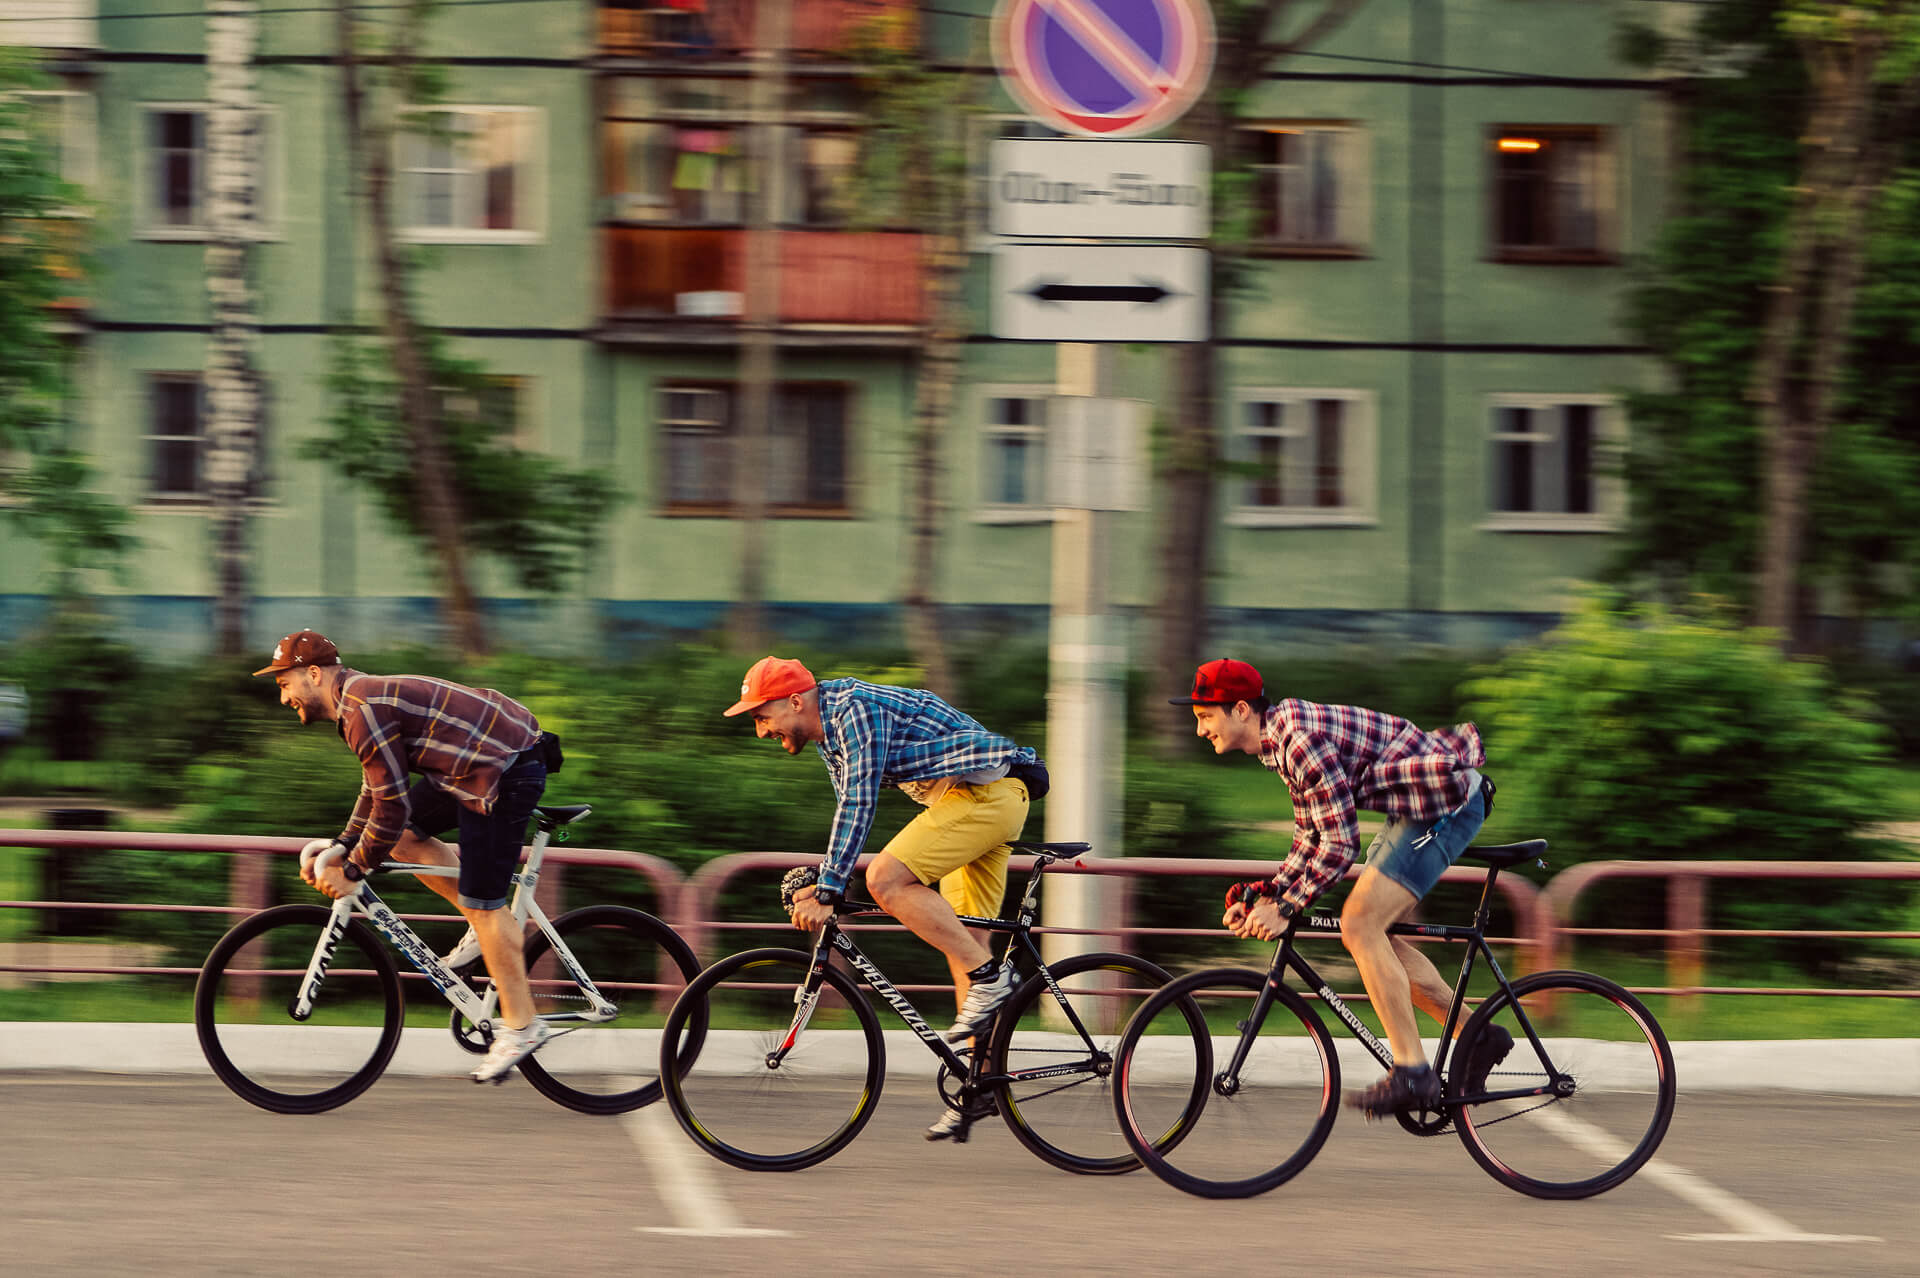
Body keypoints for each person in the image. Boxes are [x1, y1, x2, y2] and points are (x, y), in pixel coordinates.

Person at [1172, 657, 1513, 1116]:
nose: (1199, 730)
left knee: (1358, 925)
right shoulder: (1279, 742)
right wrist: (1269, 892)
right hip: (1417, 807)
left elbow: (1341, 842)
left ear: (1240, 710)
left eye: (1204, 717)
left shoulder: (1296, 740)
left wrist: (1288, 905)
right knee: (1377, 940)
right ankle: (1480, 1036)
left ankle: (1413, 1073)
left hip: (1450, 803)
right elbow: (1311, 834)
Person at [724, 655, 1047, 1139]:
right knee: (964, 942)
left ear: (795, 701)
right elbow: (846, 815)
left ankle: (993, 977)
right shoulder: (828, 734)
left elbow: (860, 802)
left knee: (887, 881)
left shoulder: (851, 710)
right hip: (977, 799)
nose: (761, 730)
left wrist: (832, 888)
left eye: (761, 715)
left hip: (984, 796)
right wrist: (826, 880)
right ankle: (978, 1085)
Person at [253, 629, 554, 1085]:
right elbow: (378, 790)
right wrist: (343, 842)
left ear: (313, 674)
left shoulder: (361, 708)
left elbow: (391, 807)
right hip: (474, 760)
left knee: (483, 902)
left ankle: (522, 1026)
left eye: (285, 684)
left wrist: (353, 869)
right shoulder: (356, 702)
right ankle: (484, 925)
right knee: (404, 839)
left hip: (502, 768)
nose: (284, 698)